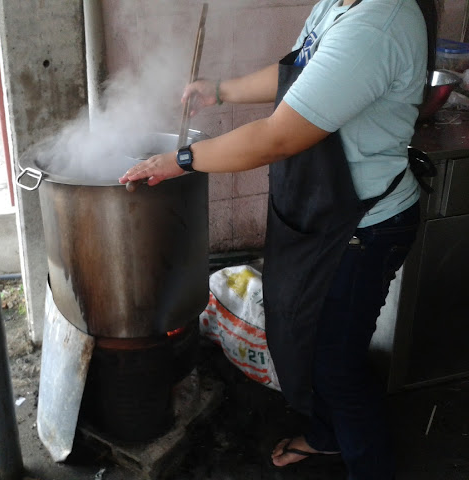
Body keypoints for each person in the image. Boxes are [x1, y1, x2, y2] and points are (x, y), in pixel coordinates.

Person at [119, 0, 439, 479]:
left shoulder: (380, 21)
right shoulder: (339, 4)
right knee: (316, 348)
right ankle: (329, 436)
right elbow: (299, 74)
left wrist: (182, 160)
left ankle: (371, 467)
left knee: (336, 365)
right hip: (322, 216)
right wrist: (220, 91)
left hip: (363, 228)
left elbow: (278, 138)